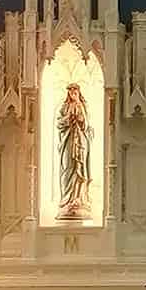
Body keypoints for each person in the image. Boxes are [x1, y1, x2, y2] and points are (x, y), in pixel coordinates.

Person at [55, 82, 94, 219]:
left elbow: (87, 124)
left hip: (81, 142)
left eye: (75, 90)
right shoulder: (64, 107)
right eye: (70, 91)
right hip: (68, 141)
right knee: (67, 167)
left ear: (78, 92)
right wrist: (68, 119)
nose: (73, 93)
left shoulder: (83, 106)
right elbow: (59, 123)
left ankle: (79, 199)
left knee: (80, 169)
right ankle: (67, 199)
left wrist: (80, 118)